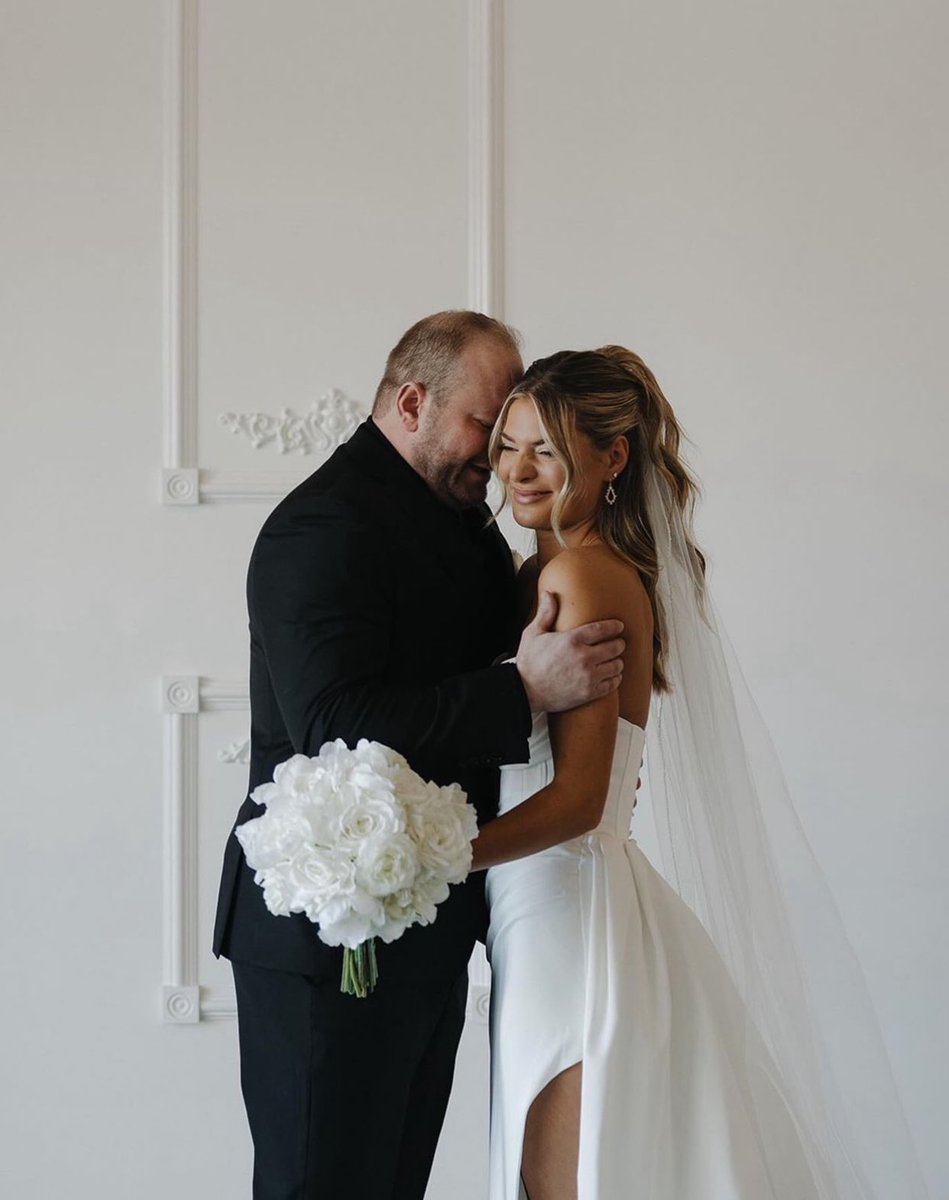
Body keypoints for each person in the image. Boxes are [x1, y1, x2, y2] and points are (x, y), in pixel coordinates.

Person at [472, 347, 932, 1200]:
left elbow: (576, 800)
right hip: (540, 908)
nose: (518, 469)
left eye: (547, 447)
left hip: (567, 914)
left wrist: (435, 857)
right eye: (508, 443)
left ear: (613, 457)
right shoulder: (558, 568)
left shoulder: (579, 573)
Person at [211, 312, 626, 1200]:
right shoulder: (319, 527)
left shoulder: (467, 530)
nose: (500, 457)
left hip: (433, 929)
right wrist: (525, 691)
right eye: (488, 424)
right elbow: (332, 720)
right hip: (329, 938)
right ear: (411, 401)